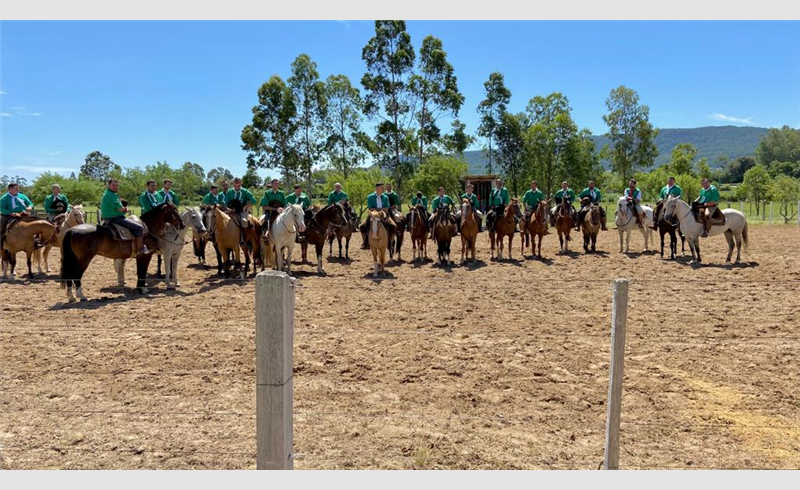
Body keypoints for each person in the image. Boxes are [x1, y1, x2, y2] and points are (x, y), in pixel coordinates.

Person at [100, 178, 148, 256]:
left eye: (116, 185)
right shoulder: (112, 195)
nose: (115, 187)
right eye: (113, 185)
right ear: (108, 185)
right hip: (115, 218)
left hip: (107, 218)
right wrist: (125, 209)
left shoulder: (106, 193)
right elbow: (120, 208)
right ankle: (140, 249)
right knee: (139, 228)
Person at [0, 183, 35, 253]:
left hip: (23, 214)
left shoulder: (22, 196)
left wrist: (30, 207)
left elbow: (30, 203)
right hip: (8, 216)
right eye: (16, 188)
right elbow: (1, 207)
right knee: (1, 226)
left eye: (18, 188)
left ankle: (35, 241)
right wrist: (10, 213)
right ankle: (1, 242)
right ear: (10, 189)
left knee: (35, 225)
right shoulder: (4, 198)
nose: (18, 189)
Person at [359, 182, 395, 247]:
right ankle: (365, 242)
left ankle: (390, 241)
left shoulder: (385, 197)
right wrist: (381, 209)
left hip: (383, 214)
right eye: (382, 187)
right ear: (377, 188)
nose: (383, 189)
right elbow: (370, 208)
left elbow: (386, 209)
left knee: (393, 225)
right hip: (373, 215)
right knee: (362, 226)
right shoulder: (370, 197)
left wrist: (377, 209)